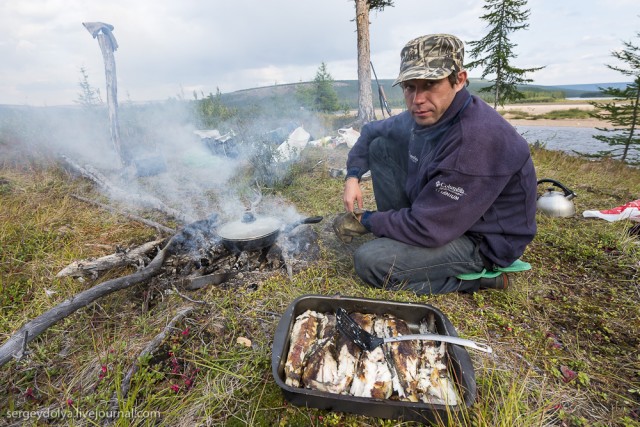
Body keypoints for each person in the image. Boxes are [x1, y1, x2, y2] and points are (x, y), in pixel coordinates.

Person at [333, 33, 537, 295]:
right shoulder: (425, 115)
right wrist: (352, 177)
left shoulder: (474, 142)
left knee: (370, 262)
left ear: (459, 80)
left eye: (429, 84)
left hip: (481, 239)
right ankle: (399, 232)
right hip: (439, 213)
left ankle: (480, 279)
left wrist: (368, 220)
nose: (417, 99)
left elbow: (429, 229)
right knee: (380, 145)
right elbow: (372, 131)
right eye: (410, 86)